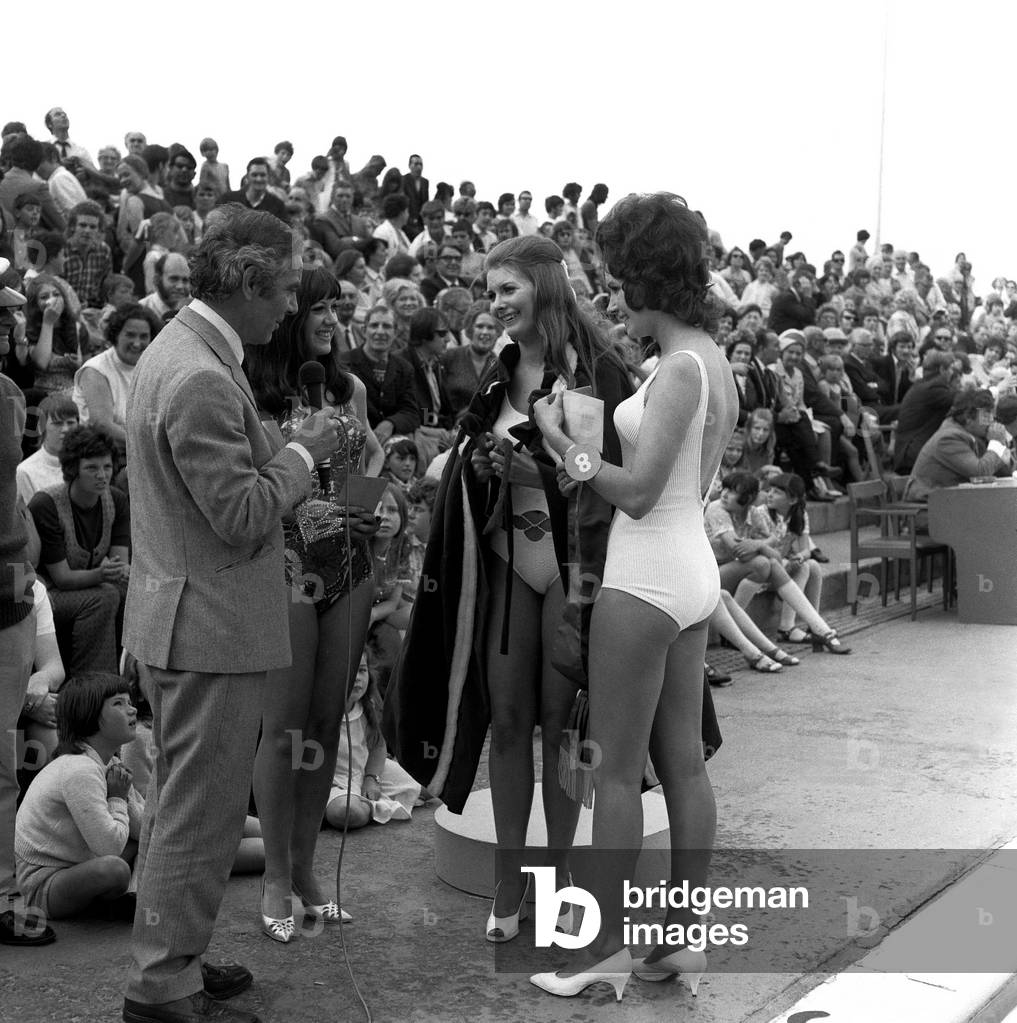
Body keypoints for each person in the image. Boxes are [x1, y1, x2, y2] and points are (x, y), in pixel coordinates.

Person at [121, 207, 347, 1023]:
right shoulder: (203, 374)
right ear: (251, 283)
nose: (292, 306)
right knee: (199, 817)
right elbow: (244, 513)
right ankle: (163, 990)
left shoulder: (184, 349)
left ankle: (171, 956)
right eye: (286, 288)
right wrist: (302, 453)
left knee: (187, 811)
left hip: (182, 617)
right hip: (206, 628)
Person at [384, 234, 634, 950]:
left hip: (570, 563)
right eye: (490, 292)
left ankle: (556, 880)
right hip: (500, 560)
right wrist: (484, 465)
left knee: (561, 725)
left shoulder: (599, 367)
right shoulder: (493, 365)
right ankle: (508, 877)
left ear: (546, 286)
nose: (494, 304)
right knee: (504, 717)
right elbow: (470, 458)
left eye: (506, 290)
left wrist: (531, 471)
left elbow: (610, 481)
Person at [528, 193, 737, 997]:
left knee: (612, 773)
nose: (614, 294)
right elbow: (688, 480)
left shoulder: (680, 367)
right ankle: (679, 938)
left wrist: (561, 446)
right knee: (681, 765)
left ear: (650, 277)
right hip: (688, 573)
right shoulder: (705, 360)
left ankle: (597, 951)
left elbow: (640, 492)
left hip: (646, 575)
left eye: (621, 278)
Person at [245, 267, 381, 944]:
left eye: (335, 305)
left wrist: (363, 511)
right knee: (285, 726)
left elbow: (371, 458)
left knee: (326, 720)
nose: (330, 317)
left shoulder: (348, 386)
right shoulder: (254, 392)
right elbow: (258, 487)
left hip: (348, 566)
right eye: (317, 307)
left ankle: (306, 867)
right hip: (286, 563)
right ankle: (272, 872)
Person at [0, 272, 54, 947]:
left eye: (8, 317)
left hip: (9, 599)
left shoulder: (12, 393)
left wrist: (29, 554)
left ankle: (5, 891)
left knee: (2, 755)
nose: (8, 326)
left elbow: (8, 492)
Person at [14, 672, 142, 921]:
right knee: (114, 869)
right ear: (90, 717)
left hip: (81, 863)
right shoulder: (79, 769)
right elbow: (110, 847)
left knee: (148, 845)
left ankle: (135, 895)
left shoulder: (110, 762)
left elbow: (144, 830)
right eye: (119, 703)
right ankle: (121, 902)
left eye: (129, 701)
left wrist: (125, 796)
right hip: (47, 885)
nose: (133, 710)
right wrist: (117, 798)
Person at [324, 657, 420, 829]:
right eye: (350, 672)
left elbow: (377, 746)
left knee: (431, 787)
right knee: (347, 814)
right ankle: (376, 808)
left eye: (361, 670)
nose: (358, 678)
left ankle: (371, 803)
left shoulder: (366, 704)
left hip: (363, 769)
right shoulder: (318, 712)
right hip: (332, 782)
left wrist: (371, 778)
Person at [73, 303, 162, 453]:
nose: (137, 343)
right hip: (104, 456)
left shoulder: (153, 367)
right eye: (130, 335)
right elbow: (101, 425)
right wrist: (151, 448)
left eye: (144, 336)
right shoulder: (95, 370)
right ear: (115, 335)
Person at [904, 390, 1012, 509]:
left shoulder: (969, 435)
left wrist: (999, 444)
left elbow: (1003, 472)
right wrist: (995, 442)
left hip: (948, 503)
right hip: (927, 508)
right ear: (968, 418)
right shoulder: (948, 438)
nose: (991, 421)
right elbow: (980, 472)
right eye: (986, 415)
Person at [340, 304, 421, 444]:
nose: (380, 331)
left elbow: (412, 412)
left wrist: (390, 424)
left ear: (395, 332)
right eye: (374, 325)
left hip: (393, 440)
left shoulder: (404, 368)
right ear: (364, 330)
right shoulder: (344, 364)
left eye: (387, 326)